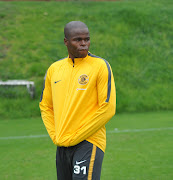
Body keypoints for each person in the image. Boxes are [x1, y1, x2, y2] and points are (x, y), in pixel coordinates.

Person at [39, 21, 116, 180]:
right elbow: (46, 106)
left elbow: (107, 108)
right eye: (78, 40)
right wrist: (56, 135)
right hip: (62, 144)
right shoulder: (55, 69)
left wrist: (77, 135)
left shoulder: (100, 66)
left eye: (87, 39)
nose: (83, 44)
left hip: (89, 142)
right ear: (66, 42)